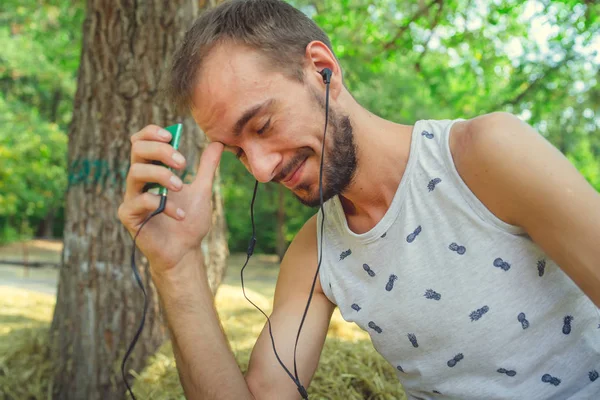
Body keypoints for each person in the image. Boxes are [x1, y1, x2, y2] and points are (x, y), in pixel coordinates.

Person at [117, 0, 600, 399]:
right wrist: (175, 265)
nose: (262, 169)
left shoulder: (486, 156)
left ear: (322, 69)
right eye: (239, 151)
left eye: (262, 126)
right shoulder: (315, 256)